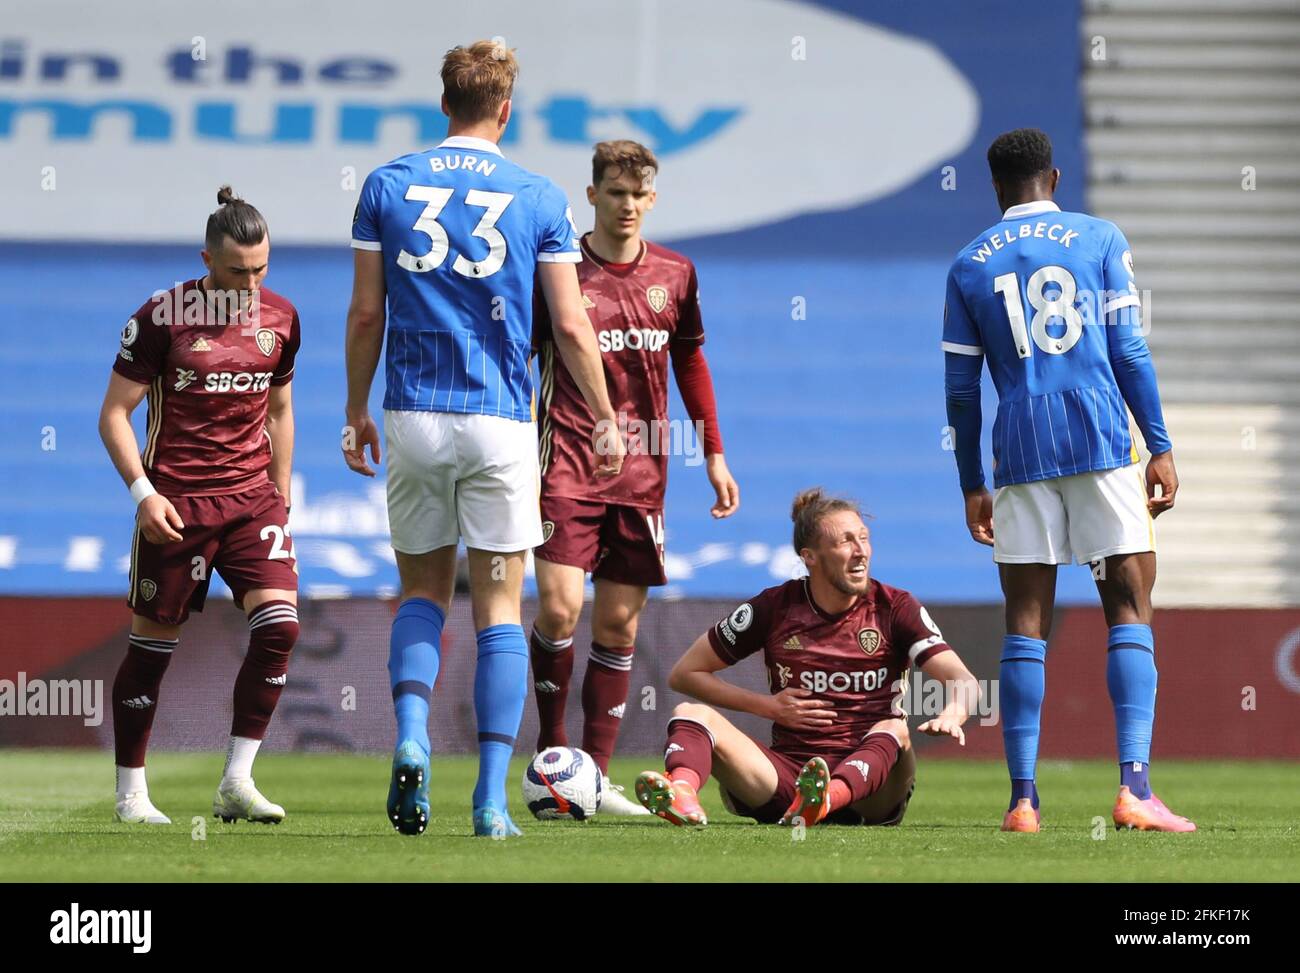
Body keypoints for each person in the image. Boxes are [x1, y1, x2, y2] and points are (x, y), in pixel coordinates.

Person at [343, 40, 623, 838]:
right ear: (507, 110)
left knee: (423, 594)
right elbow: (569, 323)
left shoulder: (386, 185)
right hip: (499, 424)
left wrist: (355, 408)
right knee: (501, 607)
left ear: (443, 104)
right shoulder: (537, 195)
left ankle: (408, 734)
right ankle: (492, 800)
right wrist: (604, 416)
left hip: (413, 413)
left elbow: (366, 314)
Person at [943, 127, 1193, 832]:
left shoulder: (967, 265)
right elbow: (1128, 347)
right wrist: (1161, 445)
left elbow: (961, 392)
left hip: (1019, 447)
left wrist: (971, 482)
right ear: (1052, 178)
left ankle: (1023, 800)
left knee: (1026, 622)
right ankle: (1135, 790)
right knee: (1128, 602)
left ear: (996, 188)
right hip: (1100, 437)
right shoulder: (1099, 238)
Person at [529, 139, 739, 815]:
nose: (626, 206)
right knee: (560, 607)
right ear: (590, 196)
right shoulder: (560, 274)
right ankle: (552, 758)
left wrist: (713, 451)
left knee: (617, 627)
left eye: (638, 194)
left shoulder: (676, 274)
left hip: (644, 472)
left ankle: (595, 777)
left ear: (653, 198)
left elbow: (692, 363)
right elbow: (523, 355)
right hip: (566, 459)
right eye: (614, 193)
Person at [99, 186, 301, 825]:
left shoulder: (281, 318)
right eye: (238, 270)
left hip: (250, 502)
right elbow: (114, 415)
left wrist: (283, 487)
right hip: (176, 505)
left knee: (281, 627)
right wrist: (144, 494)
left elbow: (280, 408)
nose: (250, 282)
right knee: (153, 649)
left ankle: (236, 781)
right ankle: (132, 791)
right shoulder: (161, 318)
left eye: (261, 268)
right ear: (207, 259)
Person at [635, 489, 977, 828]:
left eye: (864, 538)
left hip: (873, 794)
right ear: (810, 556)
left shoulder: (894, 607)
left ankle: (827, 798)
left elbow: (963, 680)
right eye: (845, 542)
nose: (861, 552)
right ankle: (681, 792)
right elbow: (685, 673)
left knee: (894, 727)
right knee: (689, 713)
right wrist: (767, 706)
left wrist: (954, 713)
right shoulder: (774, 607)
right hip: (789, 781)